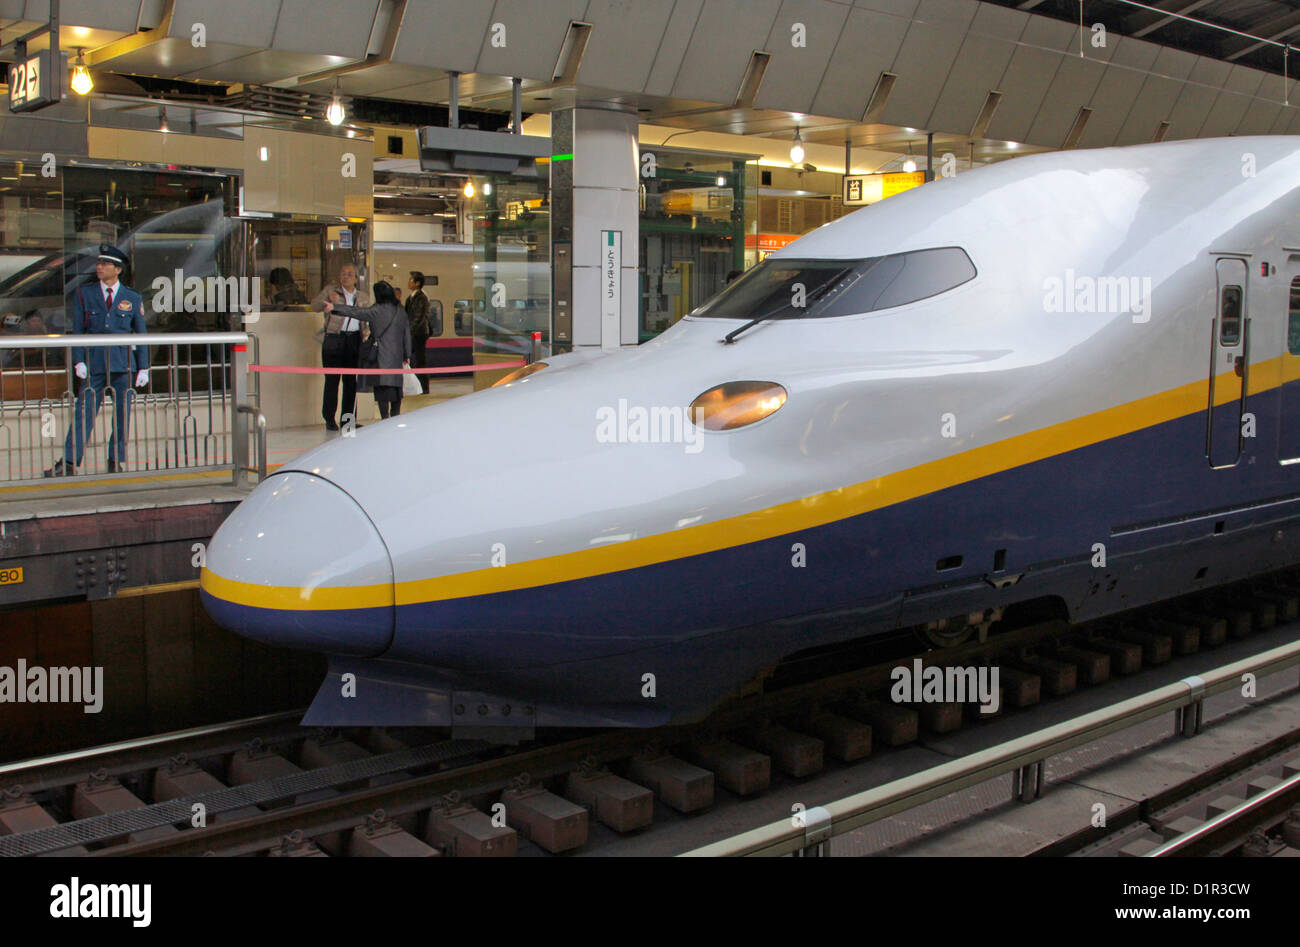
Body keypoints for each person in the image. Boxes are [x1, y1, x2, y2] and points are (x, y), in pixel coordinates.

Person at [45, 244, 149, 477]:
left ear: (118, 269)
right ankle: (70, 462)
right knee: (84, 412)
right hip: (95, 363)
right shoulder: (86, 293)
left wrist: (143, 366)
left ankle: (116, 459)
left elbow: (141, 334)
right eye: (99, 263)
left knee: (122, 415)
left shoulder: (131, 297)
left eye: (105, 264)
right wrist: (78, 360)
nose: (99, 267)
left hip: (123, 364)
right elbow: (78, 331)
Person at [324, 280, 411, 420]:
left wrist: (334, 307)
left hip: (381, 356)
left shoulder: (377, 310)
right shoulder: (401, 311)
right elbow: (407, 334)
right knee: (396, 389)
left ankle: (385, 419)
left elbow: (356, 312)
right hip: (397, 357)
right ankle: (396, 417)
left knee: (382, 388)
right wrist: (407, 354)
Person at [311, 264, 370, 431]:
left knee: (351, 382)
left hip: (354, 340)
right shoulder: (331, 291)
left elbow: (367, 317)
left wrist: (366, 333)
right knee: (332, 381)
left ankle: (348, 420)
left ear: (356, 278)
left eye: (350, 274)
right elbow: (314, 305)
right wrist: (327, 301)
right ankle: (329, 419)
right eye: (343, 273)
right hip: (333, 339)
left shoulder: (363, 296)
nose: (346, 277)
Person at [405, 271, 431, 394]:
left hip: (419, 334)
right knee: (415, 359)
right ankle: (417, 385)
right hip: (413, 333)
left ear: (418, 283)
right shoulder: (411, 297)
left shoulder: (421, 298)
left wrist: (409, 332)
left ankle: (424, 387)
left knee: (420, 360)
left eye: (411, 280)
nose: (409, 282)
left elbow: (418, 318)